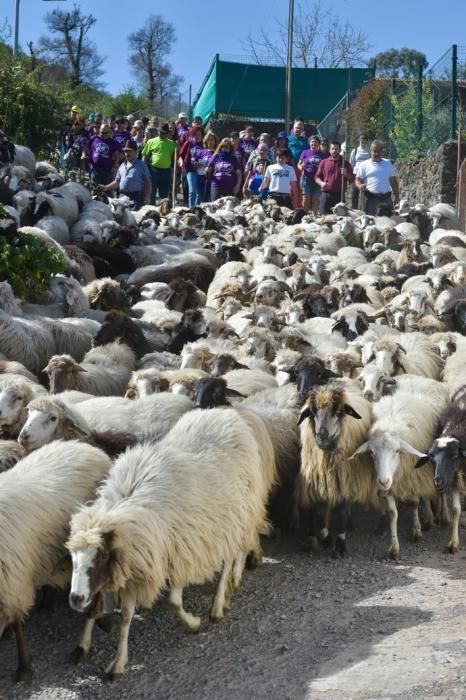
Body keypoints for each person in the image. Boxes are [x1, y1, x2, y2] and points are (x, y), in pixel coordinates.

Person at [98, 140, 151, 210]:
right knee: (119, 217)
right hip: (122, 197)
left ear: (136, 152)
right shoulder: (122, 166)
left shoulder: (141, 165)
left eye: (129, 151)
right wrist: (106, 187)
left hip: (136, 197)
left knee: (134, 217)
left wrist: (147, 196)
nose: (127, 153)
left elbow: (148, 182)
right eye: (125, 151)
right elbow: (117, 182)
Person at [355, 140, 400, 215]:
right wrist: (360, 186)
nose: (376, 153)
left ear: (382, 152)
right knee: (371, 223)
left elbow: (393, 181)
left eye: (379, 151)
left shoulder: (388, 163)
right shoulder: (364, 165)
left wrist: (397, 196)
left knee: (389, 222)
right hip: (371, 199)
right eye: (374, 151)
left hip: (386, 199)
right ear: (371, 151)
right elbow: (358, 180)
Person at [314, 141, 354, 214]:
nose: (334, 151)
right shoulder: (324, 162)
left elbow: (351, 180)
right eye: (332, 149)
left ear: (340, 150)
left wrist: (346, 174)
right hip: (325, 194)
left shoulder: (345, 163)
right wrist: (322, 183)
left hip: (339, 196)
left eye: (336, 149)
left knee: (339, 219)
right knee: (324, 218)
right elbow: (317, 177)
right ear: (329, 150)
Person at [142, 123, 176, 204]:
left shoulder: (172, 144)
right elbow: (145, 156)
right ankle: (151, 209)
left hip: (166, 171)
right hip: (153, 170)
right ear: (158, 132)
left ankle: (162, 210)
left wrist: (178, 147)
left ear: (167, 133)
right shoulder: (151, 141)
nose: (162, 134)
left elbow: (176, 157)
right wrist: (144, 170)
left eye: (164, 133)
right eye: (161, 132)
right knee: (151, 192)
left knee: (164, 194)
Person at [179, 126, 205, 208]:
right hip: (190, 170)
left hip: (202, 170)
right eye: (195, 134)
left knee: (199, 192)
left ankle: (197, 208)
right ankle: (191, 209)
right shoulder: (189, 143)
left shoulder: (205, 144)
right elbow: (180, 155)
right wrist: (181, 162)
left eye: (199, 134)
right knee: (192, 190)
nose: (197, 136)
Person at [298, 135, 324, 215]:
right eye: (312, 142)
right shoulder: (305, 152)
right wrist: (301, 167)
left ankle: (315, 216)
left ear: (319, 144)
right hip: (307, 177)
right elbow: (298, 165)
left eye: (315, 142)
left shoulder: (323, 154)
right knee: (306, 197)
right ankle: (304, 216)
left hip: (318, 179)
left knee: (316, 198)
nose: (313, 143)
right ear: (309, 143)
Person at [349, 134, 371, 208]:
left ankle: (366, 209)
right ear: (359, 141)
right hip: (357, 174)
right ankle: (354, 209)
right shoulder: (355, 150)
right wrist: (352, 174)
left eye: (365, 142)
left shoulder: (370, 151)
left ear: (367, 142)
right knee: (355, 193)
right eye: (362, 142)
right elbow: (351, 163)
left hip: (367, 174)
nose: (364, 144)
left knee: (366, 193)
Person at [198, 131, 218, 202]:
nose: (210, 141)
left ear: (215, 141)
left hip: (215, 179)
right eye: (209, 140)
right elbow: (195, 164)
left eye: (212, 139)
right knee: (203, 198)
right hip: (203, 177)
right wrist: (205, 165)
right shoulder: (201, 152)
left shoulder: (218, 153)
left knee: (213, 199)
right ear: (205, 141)